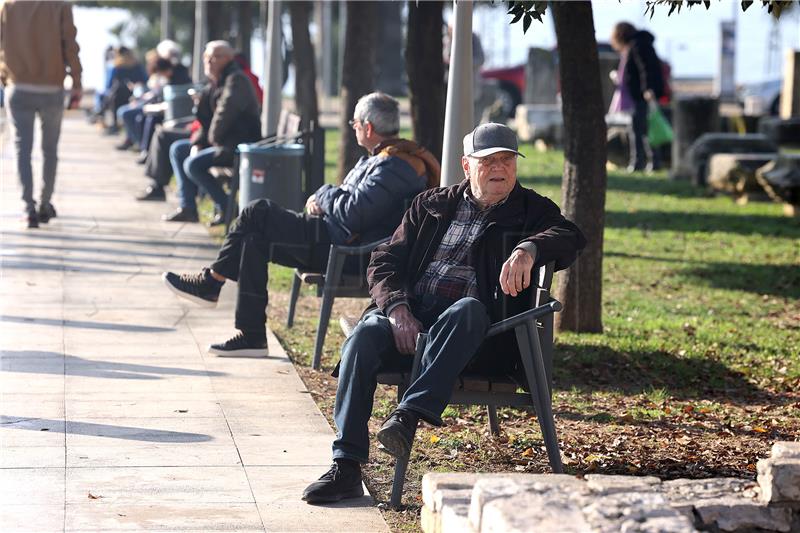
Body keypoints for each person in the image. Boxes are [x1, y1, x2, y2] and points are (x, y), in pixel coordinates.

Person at [300, 123, 586, 504]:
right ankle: (346, 466)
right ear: (467, 166)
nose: (499, 168)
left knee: (467, 309)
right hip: (413, 321)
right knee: (365, 335)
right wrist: (398, 308)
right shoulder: (432, 204)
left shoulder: (532, 211)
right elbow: (384, 260)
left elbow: (570, 236)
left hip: (478, 336)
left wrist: (529, 248)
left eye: (507, 160)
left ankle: (408, 415)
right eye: (489, 161)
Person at [162, 92, 441, 357]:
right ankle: (251, 335)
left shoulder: (397, 166)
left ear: (367, 128)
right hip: (332, 237)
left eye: (354, 124)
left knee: (256, 211)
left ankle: (212, 282)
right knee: (252, 240)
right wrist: (331, 197)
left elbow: (353, 213)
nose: (353, 128)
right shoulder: (384, 158)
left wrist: (323, 193)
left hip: (345, 251)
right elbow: (351, 204)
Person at [0, 0, 82, 228]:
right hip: (52, 88)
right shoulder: (60, 6)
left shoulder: (9, 5)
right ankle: (45, 203)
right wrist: (76, 81)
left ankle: (28, 208)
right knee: (49, 150)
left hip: (18, 87)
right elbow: (70, 45)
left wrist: (4, 77)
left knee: (21, 149)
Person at [162, 41, 261, 223]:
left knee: (193, 164)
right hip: (222, 142)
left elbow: (224, 114)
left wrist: (208, 142)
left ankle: (228, 208)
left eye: (216, 56)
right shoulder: (216, 81)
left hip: (238, 145)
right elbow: (205, 119)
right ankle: (188, 207)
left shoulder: (235, 79)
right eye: (207, 57)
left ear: (229, 58)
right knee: (178, 149)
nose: (210, 61)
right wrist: (198, 143)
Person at [609, 22, 665, 172]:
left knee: (641, 130)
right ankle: (649, 162)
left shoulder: (638, 45)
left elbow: (645, 69)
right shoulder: (639, 44)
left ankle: (641, 162)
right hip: (640, 94)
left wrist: (648, 89)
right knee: (642, 129)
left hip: (642, 95)